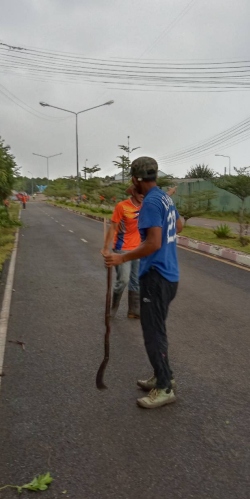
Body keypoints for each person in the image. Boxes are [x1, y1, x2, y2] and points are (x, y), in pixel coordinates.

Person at [103, 158, 182, 409]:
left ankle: (165, 388)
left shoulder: (149, 202)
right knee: (158, 329)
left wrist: (121, 257)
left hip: (156, 277)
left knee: (152, 333)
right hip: (170, 274)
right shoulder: (164, 198)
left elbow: (153, 244)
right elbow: (179, 224)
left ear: (135, 179)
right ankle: (163, 375)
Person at [101, 185, 143, 319]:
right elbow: (113, 227)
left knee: (136, 280)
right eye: (140, 192)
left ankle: (133, 310)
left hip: (139, 249)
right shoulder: (122, 206)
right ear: (134, 192)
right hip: (121, 248)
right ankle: (113, 308)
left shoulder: (146, 206)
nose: (143, 194)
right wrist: (106, 248)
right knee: (123, 279)